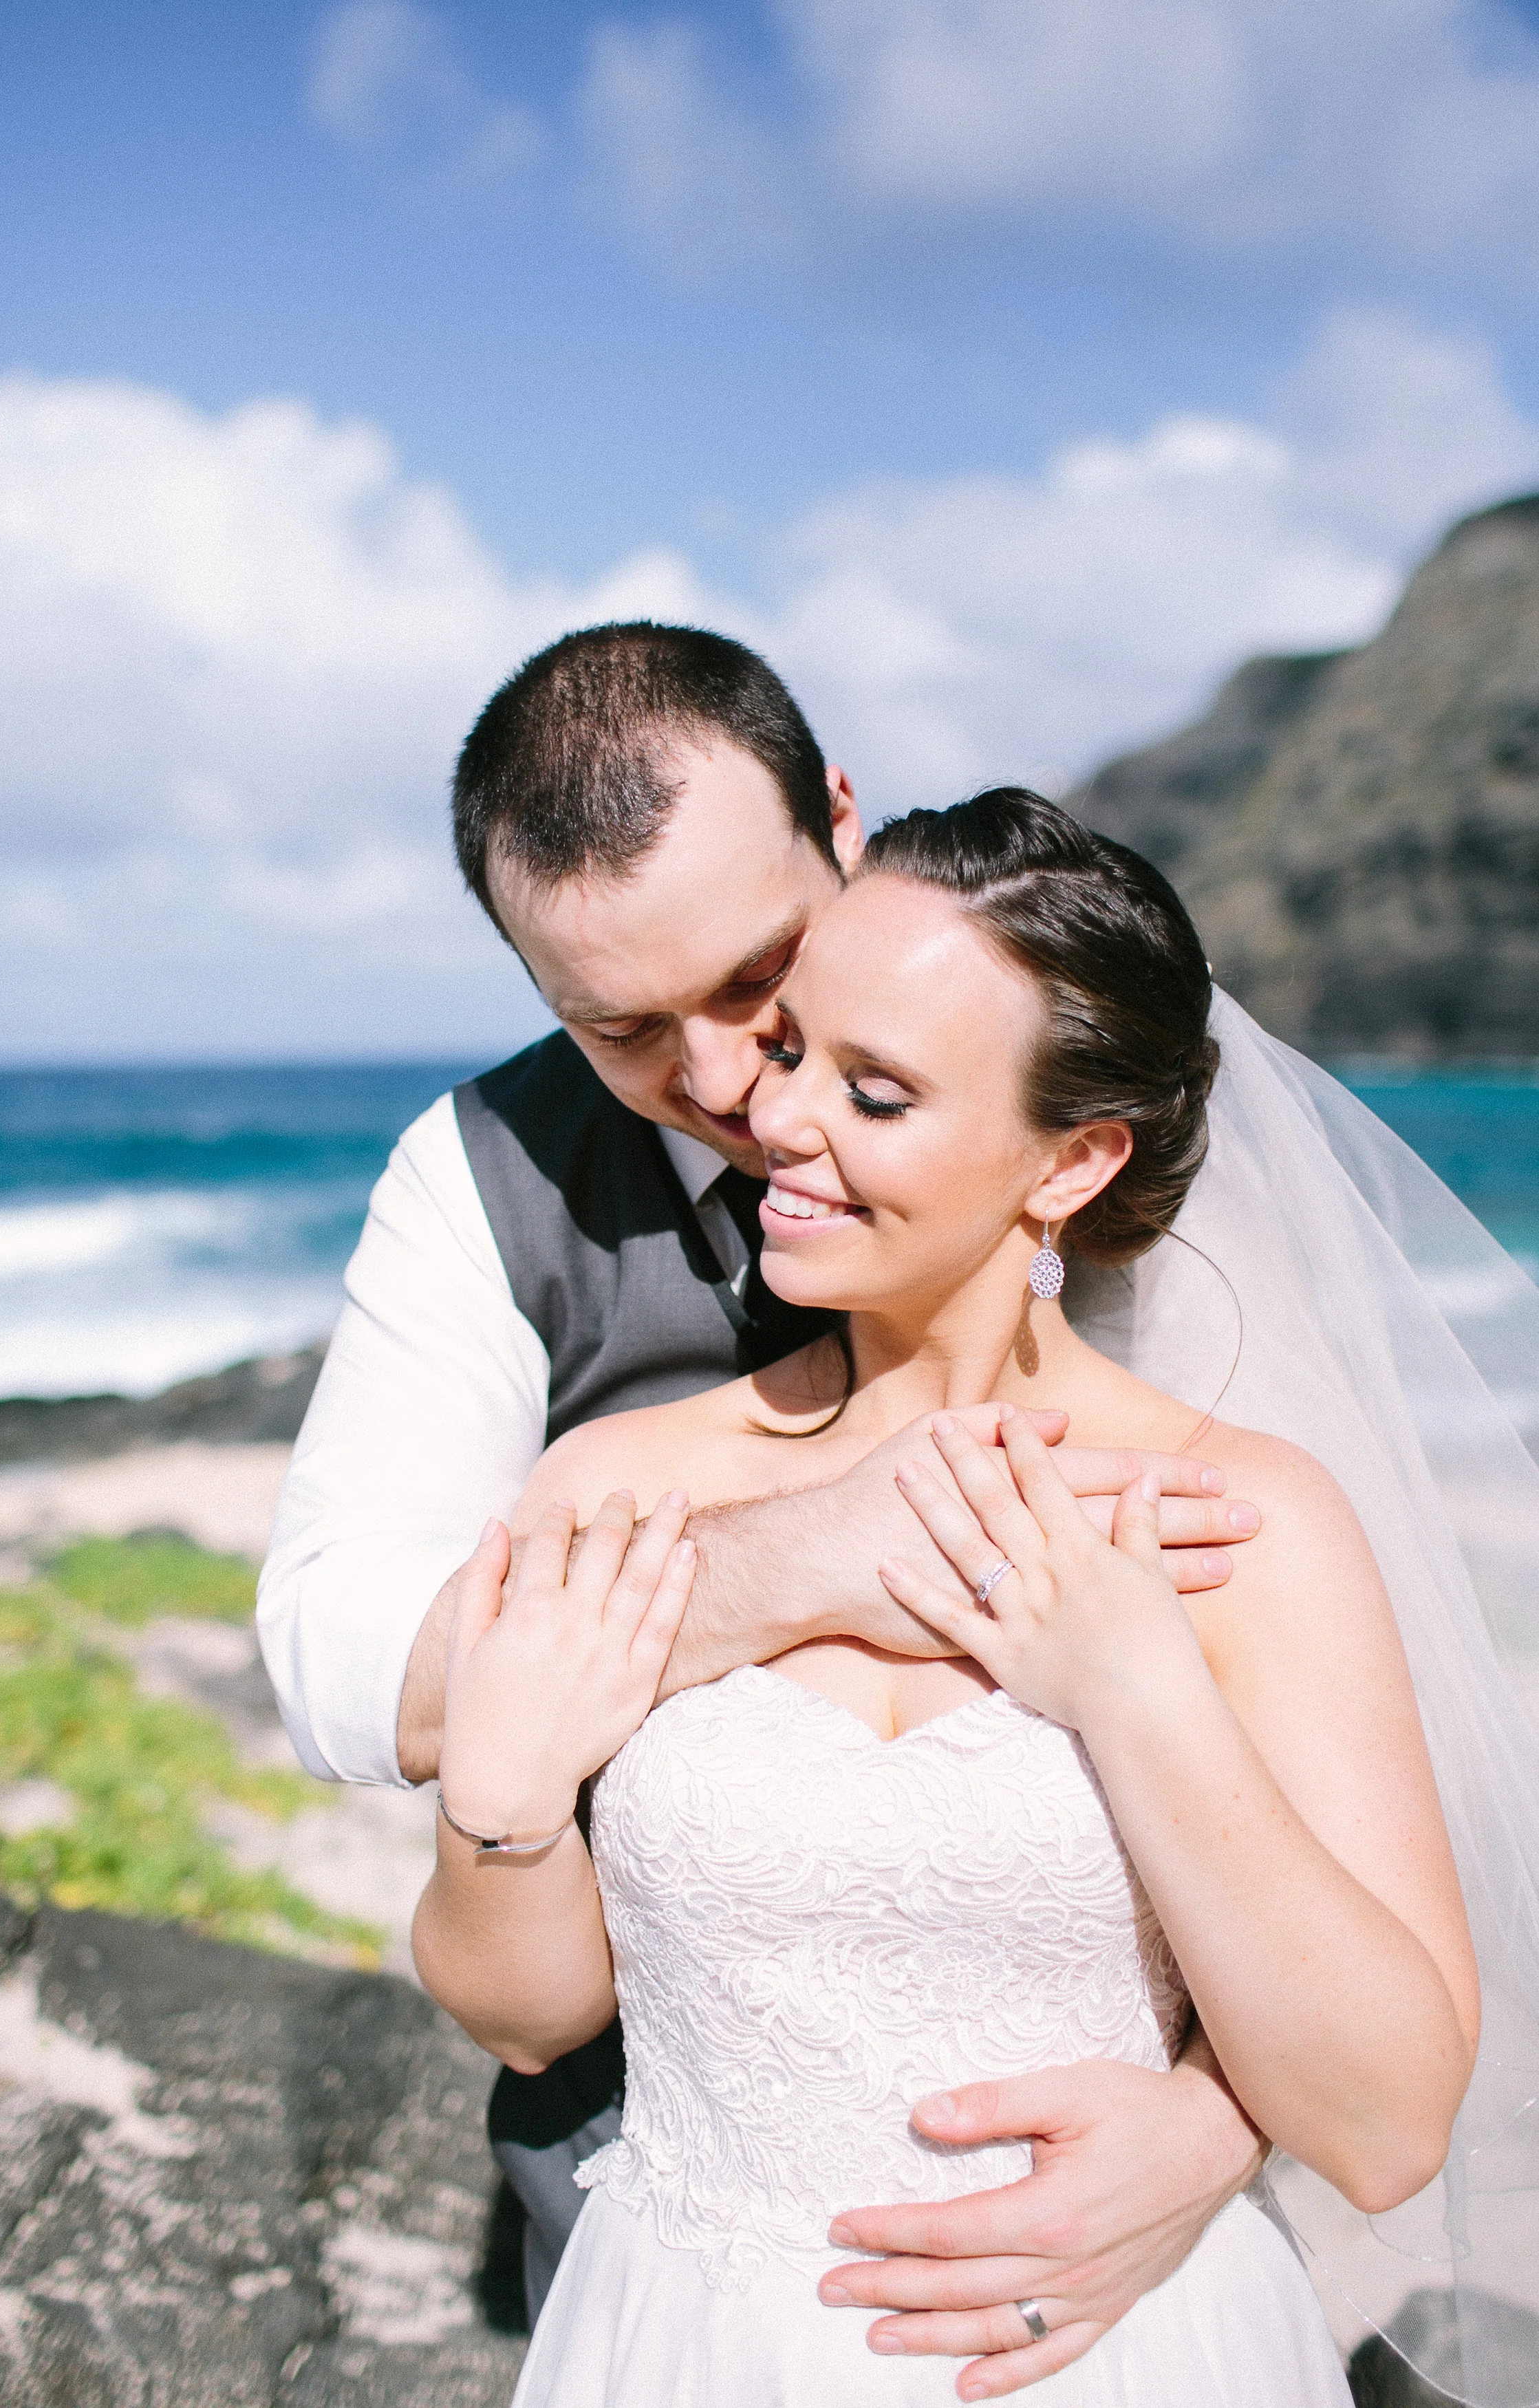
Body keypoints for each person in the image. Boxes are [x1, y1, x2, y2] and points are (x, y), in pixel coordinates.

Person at [258, 627, 1273, 2366]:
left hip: (1115, 2239)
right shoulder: (470, 1183)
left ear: (843, 823)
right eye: (621, 1028)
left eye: (756, 978)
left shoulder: (1051, 1073)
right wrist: (801, 1555)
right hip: (667, 2219)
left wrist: (1227, 2113)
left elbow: (1303, 1685)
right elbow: (335, 1656)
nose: (730, 1080)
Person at [413, 788, 1483, 2404]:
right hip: (693, 2341)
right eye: (794, 1055)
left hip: (1119, 2358)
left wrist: (1132, 1686)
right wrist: (501, 1810)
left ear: (1072, 1160)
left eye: (879, 1093)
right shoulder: (616, 1485)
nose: (779, 1121)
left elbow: (1388, 2125)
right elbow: (529, 2012)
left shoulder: (1238, 1519)